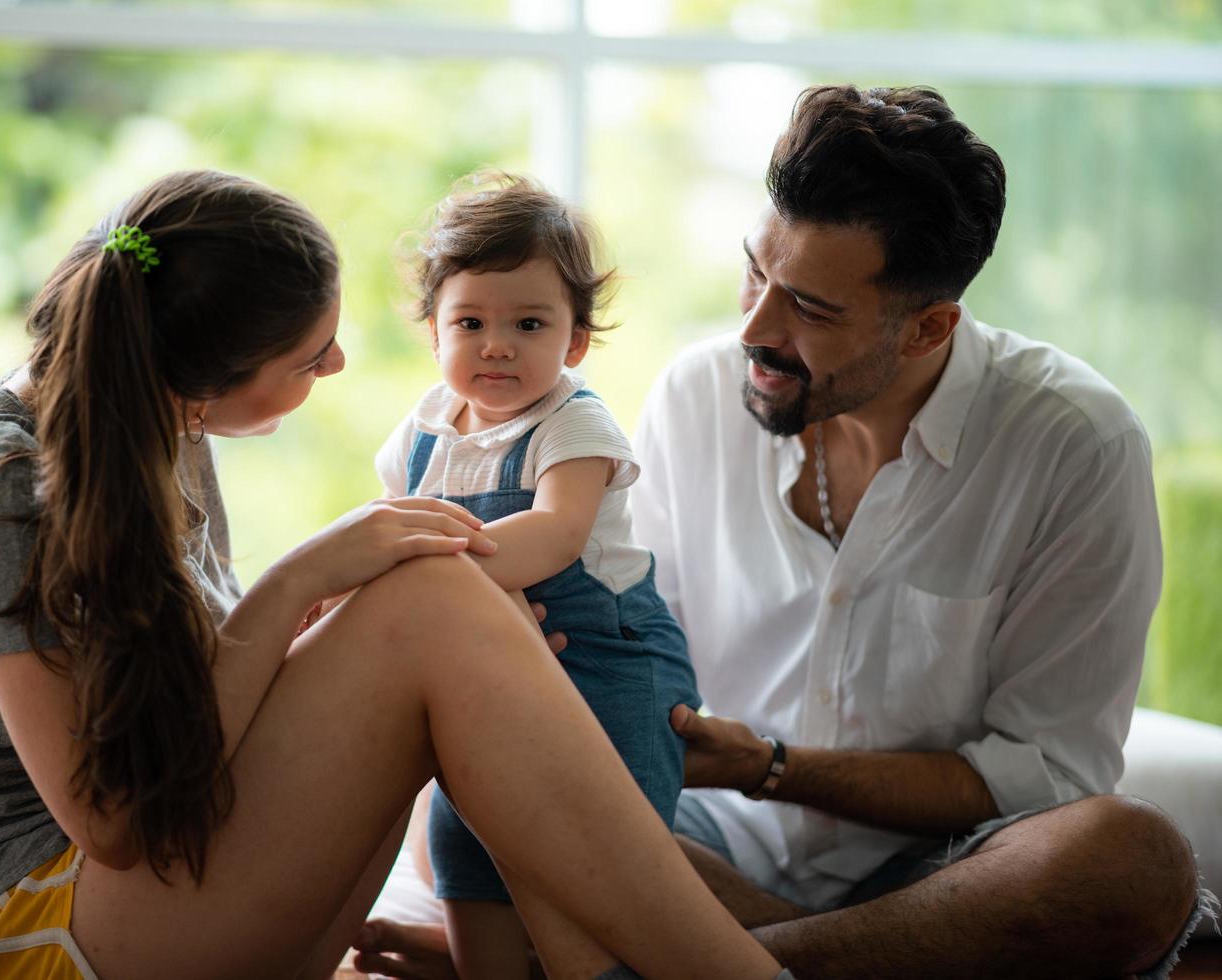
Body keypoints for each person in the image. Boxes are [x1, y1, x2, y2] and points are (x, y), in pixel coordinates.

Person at [356, 86, 1212, 979]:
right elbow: (625, 638)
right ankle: (763, 958)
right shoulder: (693, 395)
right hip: (706, 842)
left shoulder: (1075, 442)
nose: (754, 329)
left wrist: (771, 767)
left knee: (1136, 861)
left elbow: (1051, 774)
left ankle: (696, 960)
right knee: (463, 804)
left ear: (927, 327)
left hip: (943, 868)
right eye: (755, 274)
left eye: (810, 309)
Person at [0, 168, 788, 980]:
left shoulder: (158, 423)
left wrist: (365, 633)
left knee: (442, 592)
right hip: (32, 932)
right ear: (204, 381)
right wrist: (295, 584)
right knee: (429, 591)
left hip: (159, 886)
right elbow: (112, 823)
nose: (340, 363)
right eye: (312, 358)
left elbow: (190, 700)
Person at [373, 173, 701, 979]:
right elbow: (385, 525)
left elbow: (555, 534)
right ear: (433, 330)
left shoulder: (574, 422)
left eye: (529, 323)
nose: (497, 345)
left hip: (606, 661)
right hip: (493, 670)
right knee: (465, 840)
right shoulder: (420, 433)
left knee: (605, 856)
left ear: (575, 342)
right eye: (471, 322)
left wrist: (427, 573)